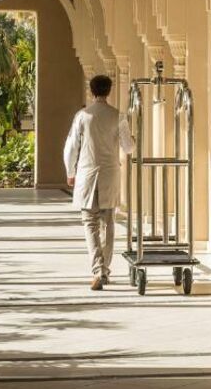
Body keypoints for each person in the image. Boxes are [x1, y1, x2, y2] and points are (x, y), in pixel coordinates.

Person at [63, 74, 135, 290]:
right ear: (109, 91)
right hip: (110, 174)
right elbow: (128, 147)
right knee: (108, 222)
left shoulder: (83, 116)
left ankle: (98, 269)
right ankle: (104, 269)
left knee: (90, 222)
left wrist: (70, 170)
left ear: (92, 91)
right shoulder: (118, 116)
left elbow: (71, 147)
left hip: (87, 174)